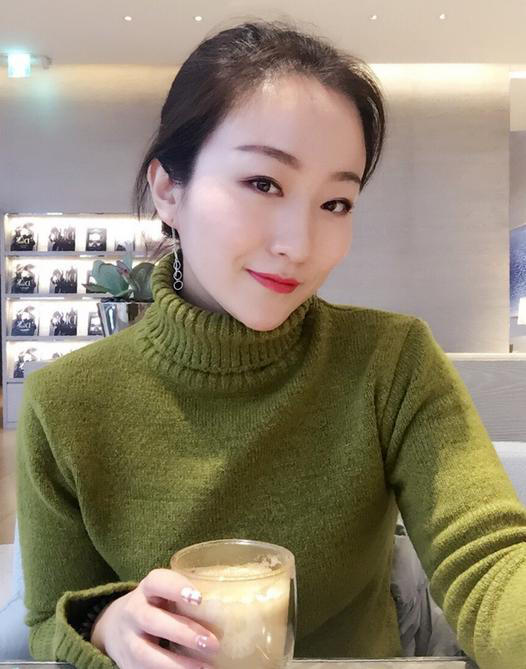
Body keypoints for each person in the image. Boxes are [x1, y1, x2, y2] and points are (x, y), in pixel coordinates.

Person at [16, 19, 526, 669]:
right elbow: (48, 619)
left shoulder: (390, 361)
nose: (300, 245)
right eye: (263, 183)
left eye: (336, 203)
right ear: (169, 189)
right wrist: (106, 624)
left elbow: (489, 566)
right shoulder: (65, 401)